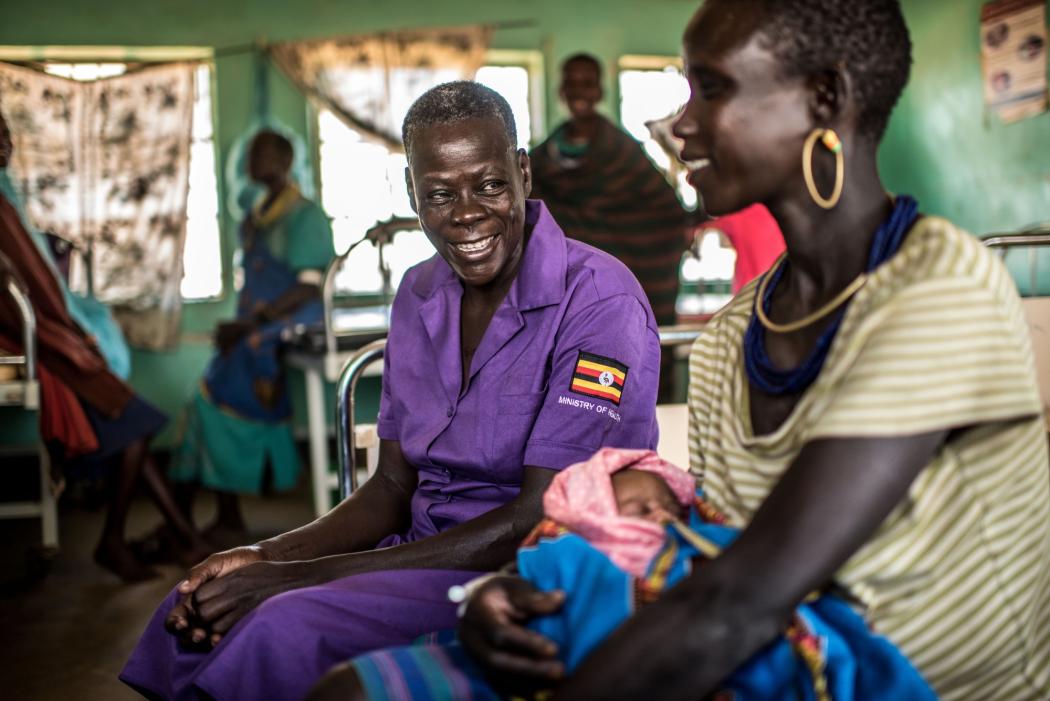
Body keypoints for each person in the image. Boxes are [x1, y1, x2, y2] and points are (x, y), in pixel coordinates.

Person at [313, 1, 1050, 699]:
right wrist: (504, 591)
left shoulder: (937, 284)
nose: (680, 125)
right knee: (348, 689)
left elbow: (741, 598)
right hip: (755, 656)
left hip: (885, 676)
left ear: (823, 99)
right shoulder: (734, 336)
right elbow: (702, 550)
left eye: (711, 90)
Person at [119, 81, 662, 701]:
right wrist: (263, 556)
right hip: (413, 557)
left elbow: (537, 516)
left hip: (521, 573)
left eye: (488, 185)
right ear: (413, 195)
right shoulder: (420, 292)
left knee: (278, 623)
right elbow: (391, 488)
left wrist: (294, 579)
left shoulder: (596, 298)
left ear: (522, 172)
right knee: (192, 609)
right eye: (439, 194)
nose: (466, 214)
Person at [0, 110, 210, 582]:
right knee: (135, 424)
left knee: (134, 426)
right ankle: (139, 540)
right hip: (38, 341)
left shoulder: (6, 200)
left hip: (51, 335)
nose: (5, 146)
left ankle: (169, 537)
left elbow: (37, 281)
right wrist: (66, 336)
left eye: (8, 135)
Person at [168, 130, 336, 537]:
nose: (250, 160)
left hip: (285, 321)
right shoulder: (259, 212)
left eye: (260, 152)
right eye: (251, 152)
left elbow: (309, 285)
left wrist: (250, 324)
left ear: (284, 159)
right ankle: (193, 520)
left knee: (214, 396)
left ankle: (194, 522)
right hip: (256, 323)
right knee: (206, 401)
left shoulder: (304, 215)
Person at [529, 53, 691, 401]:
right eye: (572, 83)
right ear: (560, 90)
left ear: (600, 91)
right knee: (567, 393)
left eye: (587, 83)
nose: (579, 91)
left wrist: (603, 246)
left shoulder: (622, 153)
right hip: (564, 299)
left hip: (616, 296)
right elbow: (528, 216)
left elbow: (666, 215)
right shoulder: (540, 160)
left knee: (621, 387)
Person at [693, 203, 785, 294]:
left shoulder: (739, 215)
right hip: (779, 287)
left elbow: (702, 226)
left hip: (749, 292)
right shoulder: (777, 212)